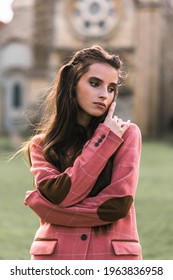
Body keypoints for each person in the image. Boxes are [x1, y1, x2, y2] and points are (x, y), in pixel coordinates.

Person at [23, 45, 142, 260]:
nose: (104, 95)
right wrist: (103, 140)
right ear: (72, 84)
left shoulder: (127, 135)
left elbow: (117, 206)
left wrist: (50, 209)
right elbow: (62, 194)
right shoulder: (41, 145)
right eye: (95, 84)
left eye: (111, 88)